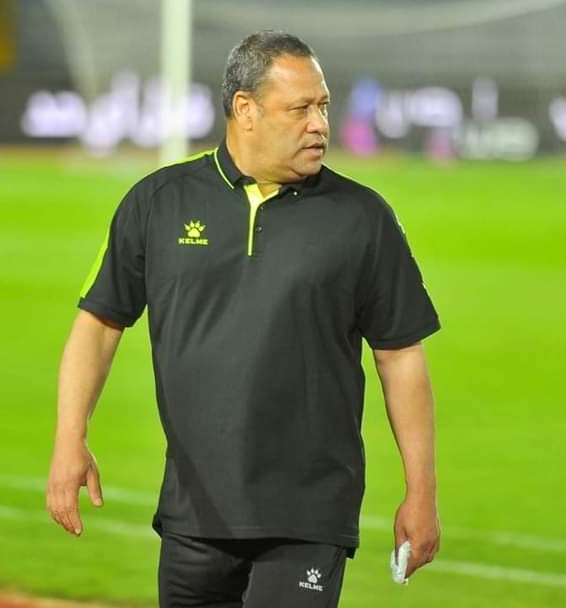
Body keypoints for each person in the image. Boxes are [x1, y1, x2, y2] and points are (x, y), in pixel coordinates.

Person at [46, 31, 441, 608]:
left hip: (308, 516)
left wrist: (421, 491)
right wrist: (70, 438)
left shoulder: (363, 219)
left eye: (324, 106)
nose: (319, 125)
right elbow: (99, 324)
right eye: (300, 109)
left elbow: (400, 356)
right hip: (193, 512)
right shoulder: (158, 202)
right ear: (245, 109)